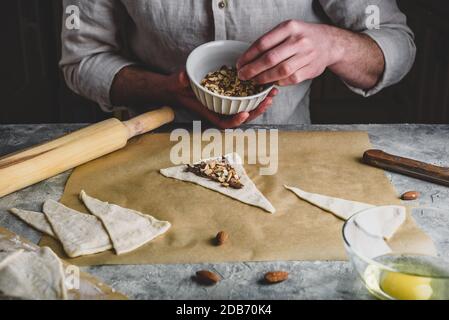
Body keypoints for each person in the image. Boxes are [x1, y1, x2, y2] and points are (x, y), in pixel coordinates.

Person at [60, 0, 415, 128]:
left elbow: (397, 44)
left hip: (285, 149)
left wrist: (334, 45)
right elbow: (83, 60)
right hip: (154, 144)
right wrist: (168, 89)